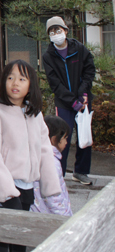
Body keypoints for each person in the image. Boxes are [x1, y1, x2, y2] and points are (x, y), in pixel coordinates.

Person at [0, 59, 60, 252]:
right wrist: (7, 192)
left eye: (21, 78)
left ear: (31, 85)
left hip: (25, 188)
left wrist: (50, 186)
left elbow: (44, 150)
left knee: (18, 241)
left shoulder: (35, 115)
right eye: (10, 78)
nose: (15, 83)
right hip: (2, 189)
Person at [42, 16, 96, 185]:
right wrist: (72, 101)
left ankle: (81, 172)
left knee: (84, 136)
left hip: (83, 99)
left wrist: (83, 95)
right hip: (64, 102)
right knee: (61, 136)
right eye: (51, 31)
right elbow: (54, 83)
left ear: (65, 30)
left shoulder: (79, 48)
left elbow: (89, 70)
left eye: (58, 30)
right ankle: (59, 172)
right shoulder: (48, 56)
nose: (55, 34)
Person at [30, 115, 73, 216]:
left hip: (36, 212)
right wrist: (66, 216)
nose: (66, 142)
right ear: (54, 139)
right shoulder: (51, 162)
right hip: (50, 216)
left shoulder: (34, 155)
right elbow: (54, 197)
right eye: (65, 138)